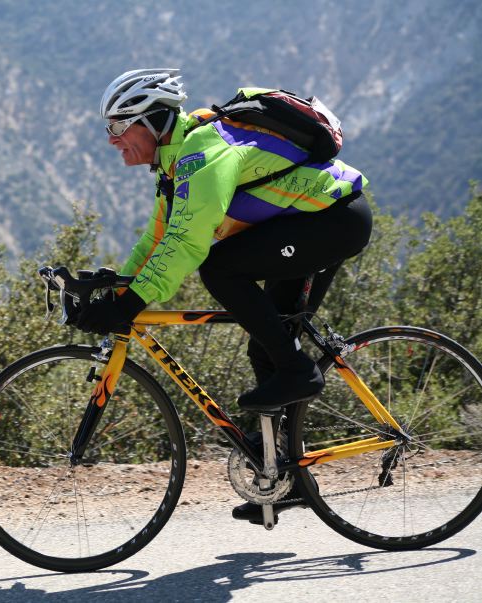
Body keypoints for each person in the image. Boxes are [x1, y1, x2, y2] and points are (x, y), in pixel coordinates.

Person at [76, 68, 373, 522]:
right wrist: (117, 286)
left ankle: (299, 372)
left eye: (119, 127)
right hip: (304, 225)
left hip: (332, 221)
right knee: (267, 340)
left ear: (153, 121)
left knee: (219, 267)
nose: (112, 140)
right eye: (108, 129)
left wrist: (129, 304)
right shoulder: (176, 164)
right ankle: (288, 476)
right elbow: (159, 238)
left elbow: (188, 244)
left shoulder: (201, 153)